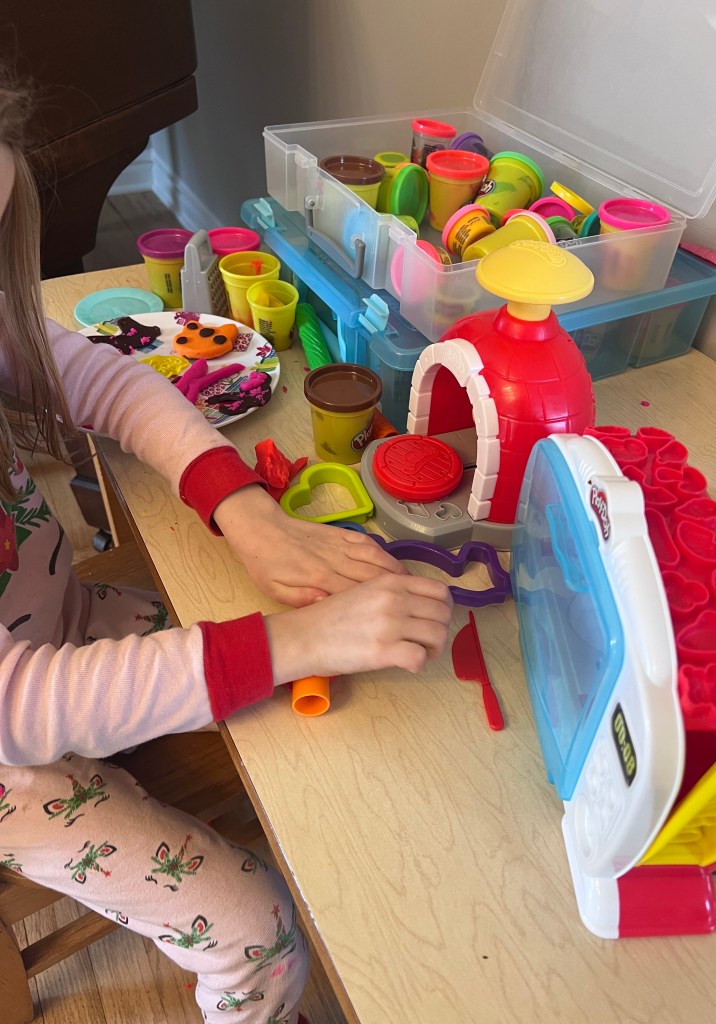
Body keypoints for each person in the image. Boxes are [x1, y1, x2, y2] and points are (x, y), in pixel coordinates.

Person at [0, 72, 453, 1024]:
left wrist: (245, 511)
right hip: (11, 763)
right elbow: (18, 712)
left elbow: (99, 379)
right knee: (257, 931)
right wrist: (296, 642)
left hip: (60, 632)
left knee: (328, 713)